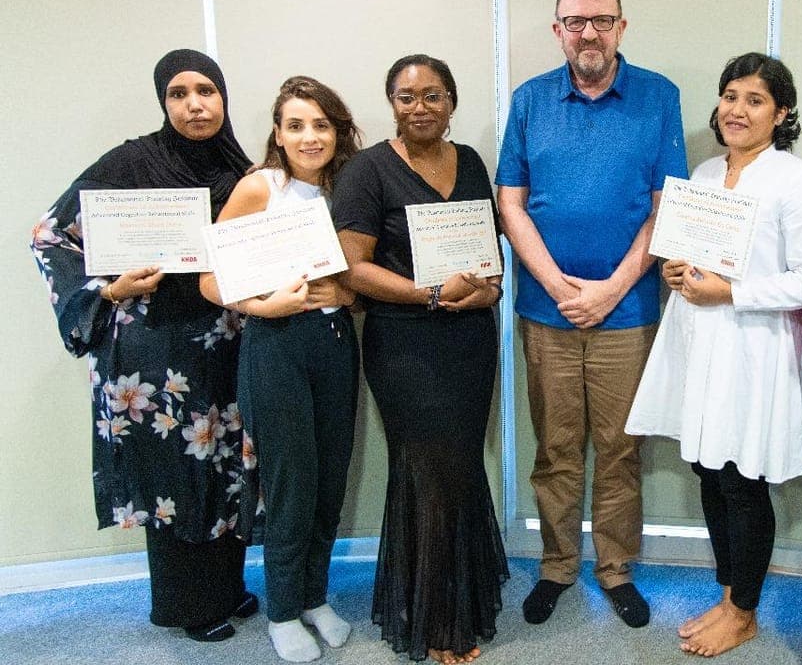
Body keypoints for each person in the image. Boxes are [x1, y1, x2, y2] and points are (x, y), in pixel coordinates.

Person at [31, 49, 257, 642]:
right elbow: (49, 235)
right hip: (155, 349)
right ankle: (189, 605)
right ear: (163, 101)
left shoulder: (238, 166)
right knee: (174, 472)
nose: (194, 105)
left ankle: (226, 587)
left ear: (223, 97)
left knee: (228, 464)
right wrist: (109, 290)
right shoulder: (132, 161)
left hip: (226, 340)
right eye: (178, 94)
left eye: (206, 91)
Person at [495, 0, 688, 628]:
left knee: (619, 449)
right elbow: (511, 204)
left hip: (626, 312)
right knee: (556, 448)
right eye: (575, 21)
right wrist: (557, 285)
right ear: (558, 30)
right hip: (546, 312)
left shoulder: (658, 97)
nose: (588, 33)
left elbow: (667, 206)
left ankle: (614, 568)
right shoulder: (530, 100)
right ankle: (556, 566)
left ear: (620, 27)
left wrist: (611, 289)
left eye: (601, 20)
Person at [625, 53, 802, 657]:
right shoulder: (705, 173)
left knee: (742, 480)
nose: (737, 110)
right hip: (699, 343)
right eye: (730, 96)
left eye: (755, 100)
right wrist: (675, 270)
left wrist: (732, 293)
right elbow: (687, 254)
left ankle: (744, 611)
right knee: (708, 472)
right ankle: (727, 595)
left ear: (782, 113)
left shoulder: (797, 181)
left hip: (754, 349)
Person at [332, 54, 507, 664]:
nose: (420, 107)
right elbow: (351, 267)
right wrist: (428, 294)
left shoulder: (472, 162)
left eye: (433, 95)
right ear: (392, 104)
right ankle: (435, 620)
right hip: (404, 343)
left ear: (452, 102)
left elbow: (486, 251)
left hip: (470, 340)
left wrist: (489, 290)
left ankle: (466, 598)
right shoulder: (367, 170)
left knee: (460, 466)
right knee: (427, 471)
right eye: (406, 97)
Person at [199, 76, 361, 662]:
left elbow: (359, 276)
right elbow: (209, 280)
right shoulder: (260, 187)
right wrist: (263, 307)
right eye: (296, 125)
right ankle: (283, 611)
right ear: (278, 133)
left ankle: (314, 597)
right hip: (276, 346)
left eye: (321, 124)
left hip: (336, 345)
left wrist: (346, 296)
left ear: (337, 132)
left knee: (330, 481)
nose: (309, 136)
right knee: (293, 485)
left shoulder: (349, 187)